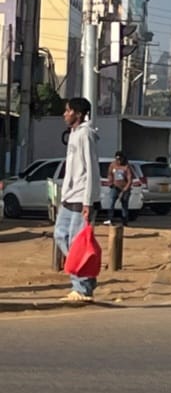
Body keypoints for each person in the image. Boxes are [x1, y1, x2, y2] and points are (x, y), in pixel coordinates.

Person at [54, 97, 100, 304]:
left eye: (68, 111)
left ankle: (81, 287)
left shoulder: (85, 135)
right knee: (60, 235)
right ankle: (86, 279)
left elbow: (91, 169)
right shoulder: (73, 134)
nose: (65, 114)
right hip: (69, 198)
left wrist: (88, 201)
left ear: (78, 114)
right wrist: (63, 196)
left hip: (82, 198)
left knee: (77, 242)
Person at [105, 151, 134, 225]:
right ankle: (109, 219)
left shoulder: (126, 166)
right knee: (111, 203)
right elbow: (110, 174)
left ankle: (124, 221)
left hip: (124, 188)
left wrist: (124, 190)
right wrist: (110, 182)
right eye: (117, 159)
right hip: (115, 187)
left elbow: (130, 179)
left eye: (120, 159)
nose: (119, 161)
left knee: (124, 204)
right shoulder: (113, 165)